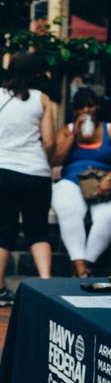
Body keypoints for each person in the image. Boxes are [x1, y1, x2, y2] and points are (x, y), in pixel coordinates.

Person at [0, 53, 55, 307]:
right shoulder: (42, 100)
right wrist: (46, 161)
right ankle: (46, 285)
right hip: (35, 173)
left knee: (2, 234)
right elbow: (50, 142)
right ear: (35, 73)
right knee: (37, 231)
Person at [51, 87, 111, 277]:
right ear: (75, 111)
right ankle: (81, 268)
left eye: (90, 106)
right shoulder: (67, 130)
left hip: (104, 183)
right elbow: (56, 160)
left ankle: (85, 264)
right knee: (69, 210)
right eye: (81, 107)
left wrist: (109, 179)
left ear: (97, 107)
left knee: (107, 217)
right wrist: (73, 135)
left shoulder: (109, 129)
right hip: (72, 181)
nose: (86, 111)